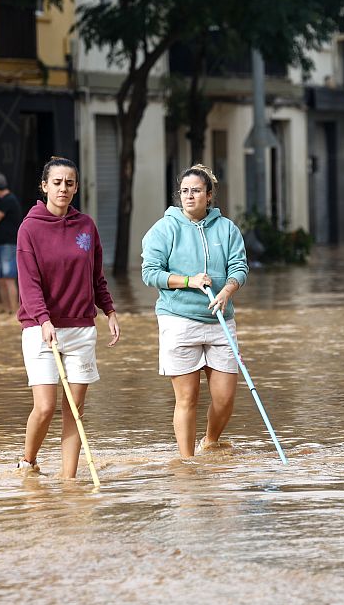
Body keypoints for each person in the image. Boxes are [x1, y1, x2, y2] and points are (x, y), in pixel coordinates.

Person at [15, 157, 120, 476]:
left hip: (80, 330)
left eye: (69, 183)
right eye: (57, 182)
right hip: (40, 329)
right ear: (44, 186)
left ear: (76, 187)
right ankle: (28, 461)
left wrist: (109, 310)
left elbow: (96, 275)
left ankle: (69, 483)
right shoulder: (29, 228)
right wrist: (44, 320)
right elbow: (28, 283)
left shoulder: (86, 226)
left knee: (74, 411)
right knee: (45, 406)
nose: (63, 188)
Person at [141, 165, 249, 458]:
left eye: (197, 191)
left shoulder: (226, 229)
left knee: (225, 398)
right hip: (178, 319)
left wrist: (227, 290)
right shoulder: (164, 229)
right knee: (187, 398)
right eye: (185, 191)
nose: (190, 196)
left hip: (219, 320)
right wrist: (188, 281)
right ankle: (187, 463)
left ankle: (211, 441)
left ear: (209, 195)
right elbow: (150, 273)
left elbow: (239, 267)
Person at [0, 172, 23, 314]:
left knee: (8, 278)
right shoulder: (0, 201)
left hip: (9, 244)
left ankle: (14, 311)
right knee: (1, 278)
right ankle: (6, 309)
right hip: (1, 244)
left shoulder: (9, 200)